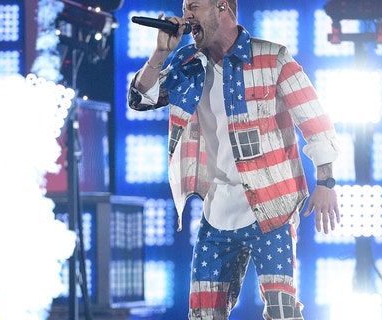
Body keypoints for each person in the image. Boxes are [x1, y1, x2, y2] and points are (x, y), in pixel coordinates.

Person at [128, 0, 340, 319]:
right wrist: (160, 53)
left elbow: (314, 120)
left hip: (272, 209)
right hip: (217, 213)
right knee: (203, 313)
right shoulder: (188, 62)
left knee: (282, 310)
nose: (186, 15)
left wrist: (325, 181)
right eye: (185, 8)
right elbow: (139, 100)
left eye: (194, 7)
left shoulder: (271, 57)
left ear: (222, 8)